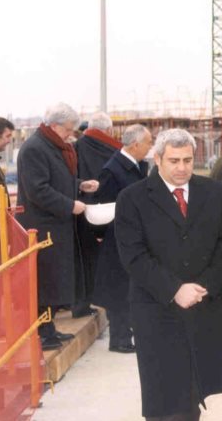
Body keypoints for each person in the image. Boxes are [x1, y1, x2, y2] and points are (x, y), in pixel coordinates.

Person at [115, 128, 222, 421]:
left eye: (188, 160)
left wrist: (204, 285)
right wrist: (174, 290)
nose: (182, 168)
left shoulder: (215, 193)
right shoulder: (132, 199)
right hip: (157, 310)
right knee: (164, 399)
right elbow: (134, 256)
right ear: (157, 159)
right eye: (173, 161)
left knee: (194, 393)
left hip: (203, 306)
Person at [16, 103, 100, 350]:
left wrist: (79, 185)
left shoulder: (51, 145)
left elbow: (57, 180)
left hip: (56, 225)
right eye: (68, 130)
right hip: (42, 227)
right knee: (45, 282)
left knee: (54, 281)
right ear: (54, 126)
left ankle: (49, 329)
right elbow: (38, 190)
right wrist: (69, 205)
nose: (71, 135)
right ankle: (42, 333)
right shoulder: (34, 149)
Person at [92, 124, 152, 353]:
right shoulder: (113, 169)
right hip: (117, 239)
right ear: (135, 145)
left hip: (132, 236)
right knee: (118, 289)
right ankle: (119, 339)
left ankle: (126, 333)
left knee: (129, 287)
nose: (149, 146)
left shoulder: (133, 166)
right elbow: (105, 205)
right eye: (147, 142)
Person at [74, 111, 121, 319]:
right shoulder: (115, 151)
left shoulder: (75, 148)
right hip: (110, 210)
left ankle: (81, 303)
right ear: (109, 130)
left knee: (83, 257)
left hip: (81, 208)